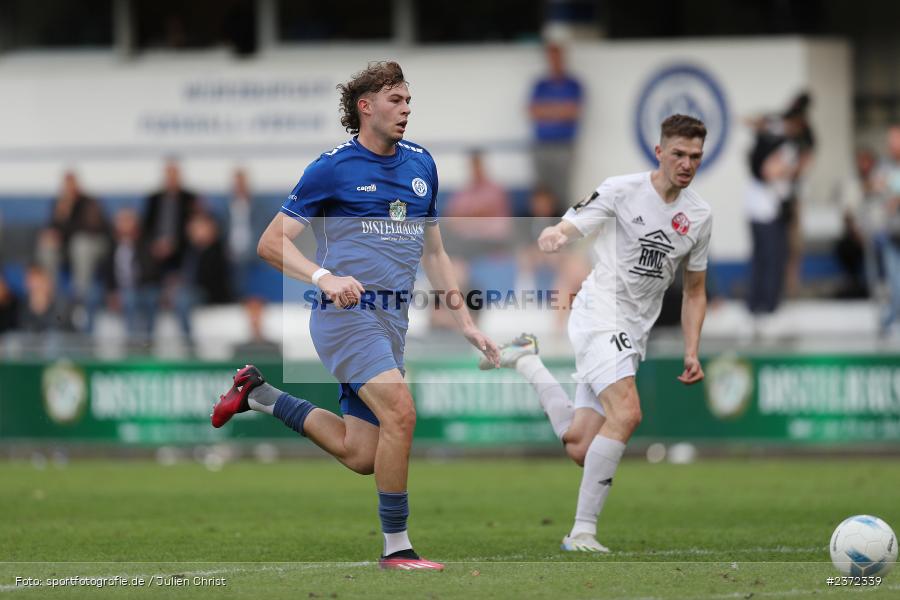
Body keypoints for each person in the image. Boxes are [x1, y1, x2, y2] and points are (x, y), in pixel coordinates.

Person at [211, 61, 499, 570]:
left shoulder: (422, 164)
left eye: (409, 100)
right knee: (402, 413)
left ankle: (258, 393)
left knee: (361, 454)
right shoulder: (333, 168)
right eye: (395, 100)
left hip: (392, 323)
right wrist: (325, 277)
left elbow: (435, 253)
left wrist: (466, 322)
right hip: (343, 315)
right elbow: (269, 243)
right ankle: (398, 549)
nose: (406, 109)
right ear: (365, 107)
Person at [480, 114, 712, 552]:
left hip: (633, 331)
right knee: (627, 413)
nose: (686, 164)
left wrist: (692, 349)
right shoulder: (622, 189)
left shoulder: (699, 216)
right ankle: (582, 532)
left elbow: (696, 291)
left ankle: (527, 361)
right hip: (599, 313)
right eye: (678, 154)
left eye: (695, 156)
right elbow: (575, 222)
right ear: (660, 152)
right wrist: (555, 234)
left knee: (582, 447)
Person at [528, 42, 584, 207]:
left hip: (563, 146)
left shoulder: (573, 84)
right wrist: (559, 110)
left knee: (562, 191)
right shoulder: (541, 85)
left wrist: (547, 110)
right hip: (541, 146)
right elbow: (533, 111)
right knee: (542, 193)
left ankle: (562, 229)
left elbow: (573, 112)